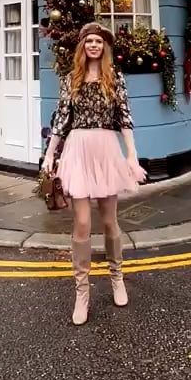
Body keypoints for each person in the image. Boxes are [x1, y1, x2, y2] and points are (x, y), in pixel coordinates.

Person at [42, 22, 146, 326]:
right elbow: (61, 119)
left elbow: (124, 117)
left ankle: (117, 277)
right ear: (82, 46)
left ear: (105, 47)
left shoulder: (115, 78)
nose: (94, 45)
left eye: (98, 41)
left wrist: (131, 154)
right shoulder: (70, 79)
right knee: (83, 222)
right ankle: (82, 292)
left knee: (110, 219)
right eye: (89, 40)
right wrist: (50, 154)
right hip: (77, 150)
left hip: (105, 149)